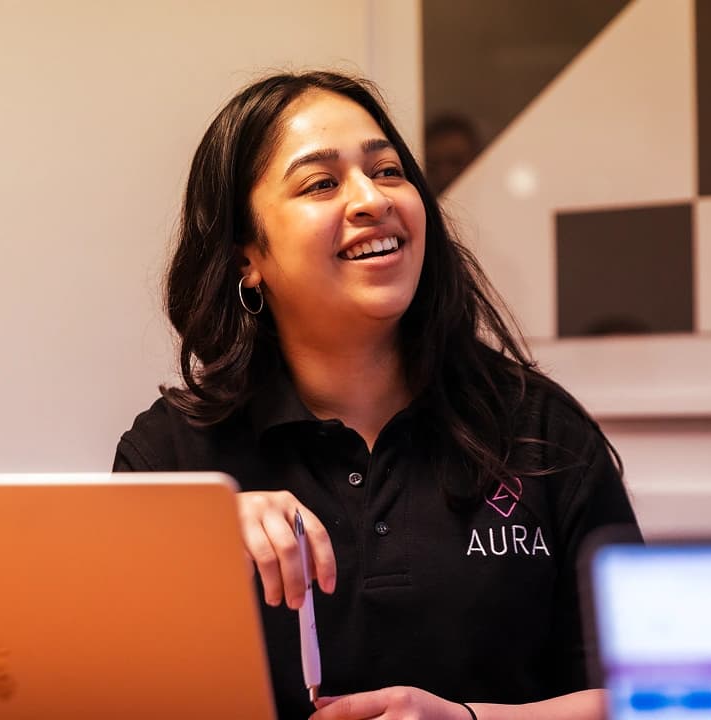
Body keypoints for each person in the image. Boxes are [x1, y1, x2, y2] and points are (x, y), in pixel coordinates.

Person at [112, 71, 640, 720]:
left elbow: (654, 695)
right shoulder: (171, 456)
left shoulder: (540, 428)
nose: (372, 199)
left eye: (388, 171)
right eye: (321, 183)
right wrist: (187, 539)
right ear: (247, 257)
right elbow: (102, 686)